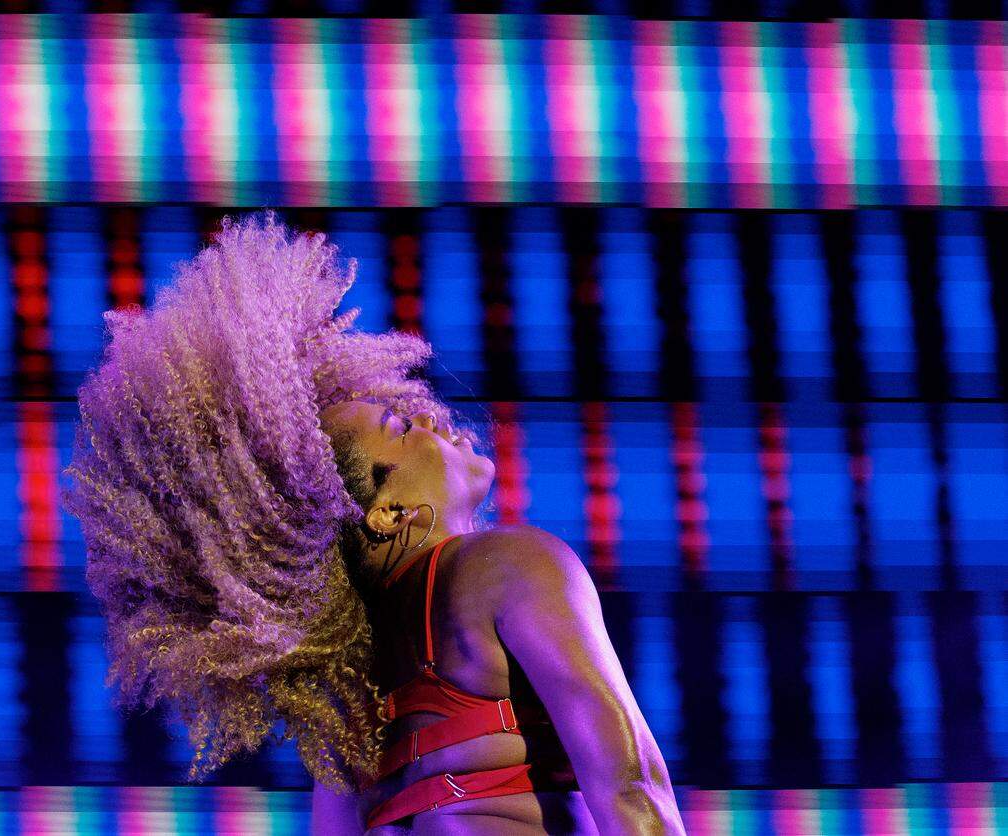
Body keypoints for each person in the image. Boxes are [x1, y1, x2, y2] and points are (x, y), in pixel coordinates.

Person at [61, 211, 683, 834]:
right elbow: (633, 784)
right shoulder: (513, 565)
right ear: (386, 513)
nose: (432, 417)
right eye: (403, 428)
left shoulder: (345, 700)